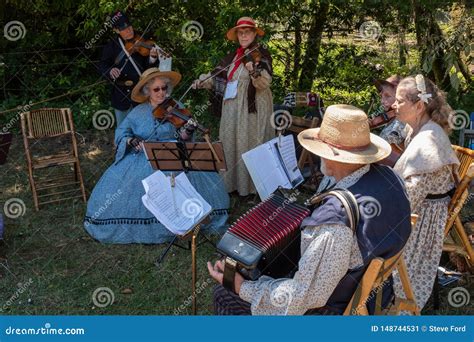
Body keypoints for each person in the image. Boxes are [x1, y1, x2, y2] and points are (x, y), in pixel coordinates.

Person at [207, 104, 412, 315]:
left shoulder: (334, 223)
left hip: (332, 310)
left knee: (223, 295)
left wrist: (243, 287)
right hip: (378, 292)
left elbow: (302, 296)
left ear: (333, 154)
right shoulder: (391, 178)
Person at [84, 68, 230, 244]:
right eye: (156, 89)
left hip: (174, 154)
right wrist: (131, 141)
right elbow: (122, 132)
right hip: (144, 155)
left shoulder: (177, 107)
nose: (162, 92)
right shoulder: (138, 112)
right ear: (147, 91)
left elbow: (184, 138)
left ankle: (190, 221)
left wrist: (189, 129)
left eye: (164, 88)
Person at [391, 74, 459, 310]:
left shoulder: (428, 141)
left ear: (419, 106)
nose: (393, 105)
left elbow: (407, 200)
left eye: (400, 101)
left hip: (423, 220)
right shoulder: (419, 129)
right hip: (421, 207)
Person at [193, 17, 274, 196]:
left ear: (254, 34)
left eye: (247, 32)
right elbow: (218, 78)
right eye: (240, 32)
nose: (244, 35)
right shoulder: (233, 57)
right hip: (231, 108)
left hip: (252, 108)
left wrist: (254, 71)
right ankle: (233, 185)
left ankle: (252, 188)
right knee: (231, 142)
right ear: (237, 35)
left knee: (249, 142)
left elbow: (264, 83)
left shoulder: (261, 54)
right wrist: (201, 82)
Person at [99, 10, 160, 127]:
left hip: (141, 93)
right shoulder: (111, 46)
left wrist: (152, 58)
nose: (129, 31)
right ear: (116, 30)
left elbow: (150, 68)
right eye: (124, 29)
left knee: (143, 129)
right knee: (123, 130)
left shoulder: (141, 39)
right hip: (121, 94)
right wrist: (110, 71)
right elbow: (102, 65)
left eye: (130, 27)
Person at [373, 75, 409, 148]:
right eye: (381, 96)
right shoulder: (391, 117)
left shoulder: (404, 120)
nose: (382, 101)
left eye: (387, 96)